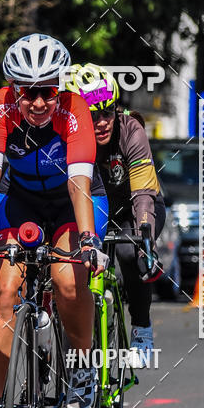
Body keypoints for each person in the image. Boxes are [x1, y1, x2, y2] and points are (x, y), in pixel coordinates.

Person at [0, 34, 109, 408]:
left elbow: (79, 184)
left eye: (47, 91)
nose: (38, 102)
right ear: (14, 89)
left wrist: (89, 240)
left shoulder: (75, 111)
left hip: (65, 203)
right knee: (4, 292)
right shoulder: (0, 105)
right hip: (17, 200)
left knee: (68, 283)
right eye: (29, 92)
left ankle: (79, 378)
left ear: (60, 87)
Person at [65, 63, 165, 367]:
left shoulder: (131, 129)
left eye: (108, 112)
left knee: (127, 250)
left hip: (135, 208)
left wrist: (144, 237)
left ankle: (142, 329)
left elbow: (144, 191)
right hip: (90, 209)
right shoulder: (67, 135)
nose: (101, 122)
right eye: (92, 115)